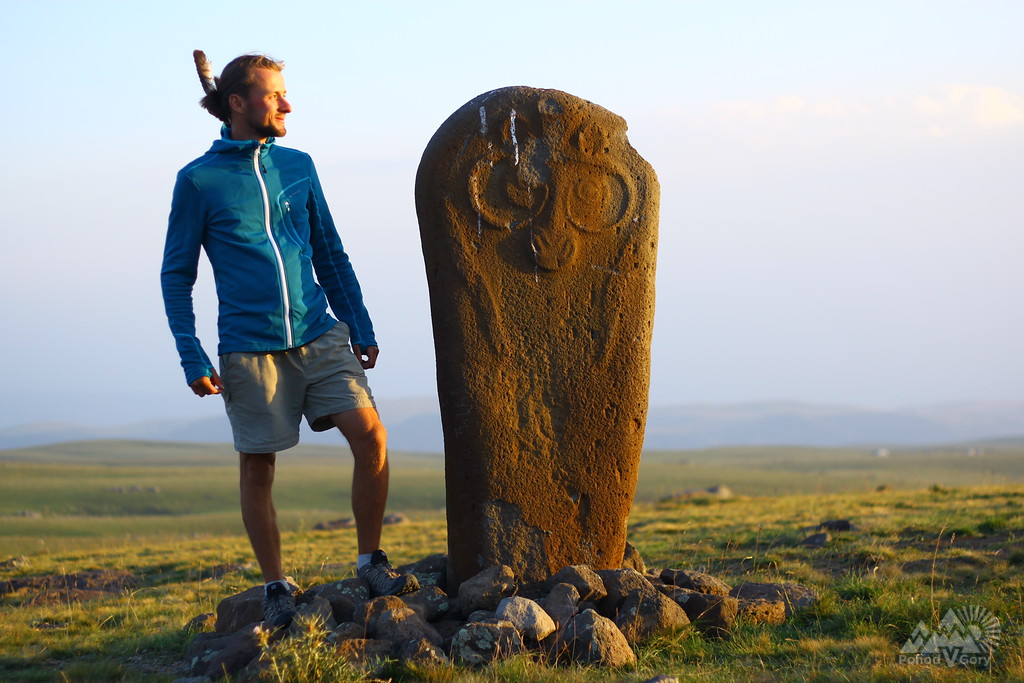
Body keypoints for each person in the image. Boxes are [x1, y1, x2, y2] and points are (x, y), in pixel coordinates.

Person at [161, 51, 418, 629]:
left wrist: (361, 322)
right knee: (258, 467)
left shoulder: (298, 165)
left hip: (319, 332)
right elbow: (177, 274)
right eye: (275, 95)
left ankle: (371, 561)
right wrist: (190, 351)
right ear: (237, 103)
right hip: (249, 348)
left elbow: (329, 250)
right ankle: (277, 586)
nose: (287, 105)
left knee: (371, 435)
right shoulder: (199, 181)